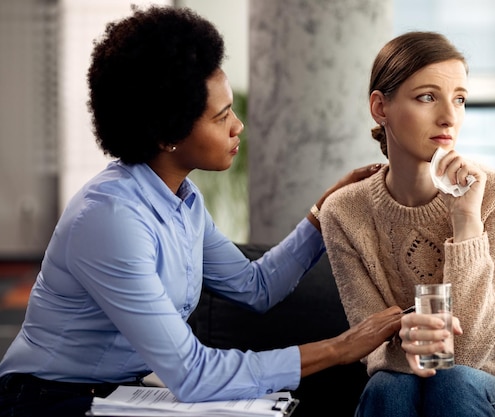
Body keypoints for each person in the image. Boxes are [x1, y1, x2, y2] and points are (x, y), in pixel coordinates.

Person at [0, 6, 402, 417]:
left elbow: (255, 287)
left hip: (120, 394)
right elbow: (193, 373)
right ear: (167, 132)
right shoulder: (110, 219)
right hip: (43, 400)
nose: (238, 126)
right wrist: (341, 347)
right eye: (222, 115)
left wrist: (322, 212)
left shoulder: (183, 200)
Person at [319, 31, 495, 416]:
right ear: (380, 107)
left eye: (459, 99)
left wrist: (466, 219)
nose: (449, 117)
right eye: (427, 97)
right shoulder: (344, 213)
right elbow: (372, 351)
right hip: (410, 383)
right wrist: (408, 335)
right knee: (389, 388)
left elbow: (472, 352)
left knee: (452, 383)